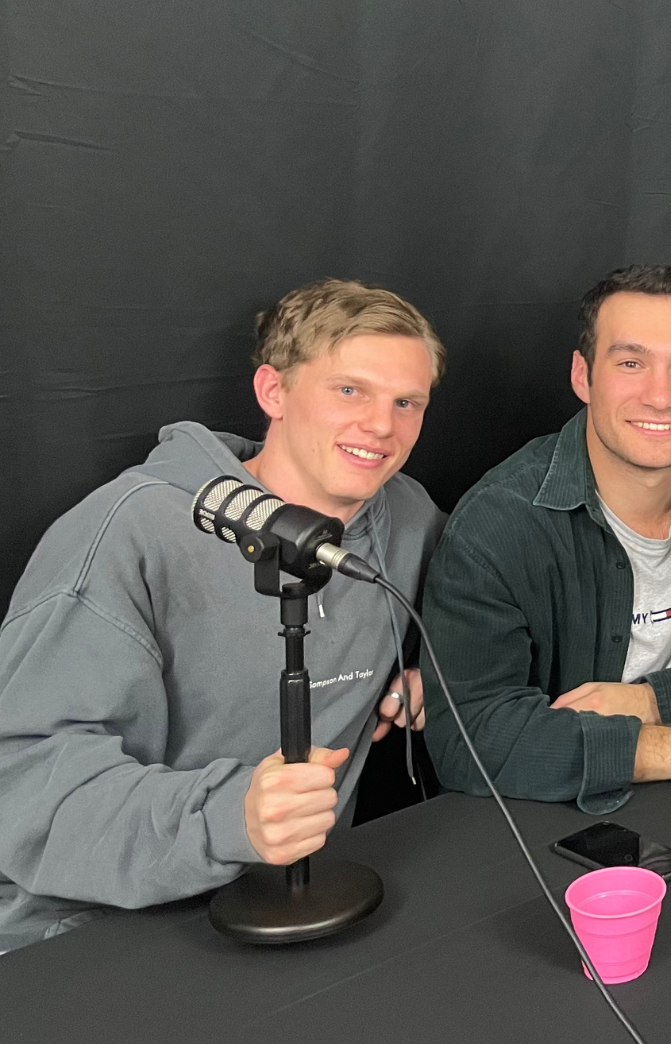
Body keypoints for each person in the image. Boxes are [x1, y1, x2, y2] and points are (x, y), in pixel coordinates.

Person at [0, 280, 445, 952]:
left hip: (297, 909)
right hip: (92, 930)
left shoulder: (408, 519)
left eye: (406, 401)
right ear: (274, 392)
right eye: (349, 390)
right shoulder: (130, 533)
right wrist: (227, 817)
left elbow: (480, 613)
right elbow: (23, 790)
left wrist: (436, 676)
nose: (381, 425)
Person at [422, 265, 671, 813]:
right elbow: (468, 738)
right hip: (560, 814)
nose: (660, 396)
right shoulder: (497, 523)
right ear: (582, 375)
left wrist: (653, 702)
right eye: (631, 363)